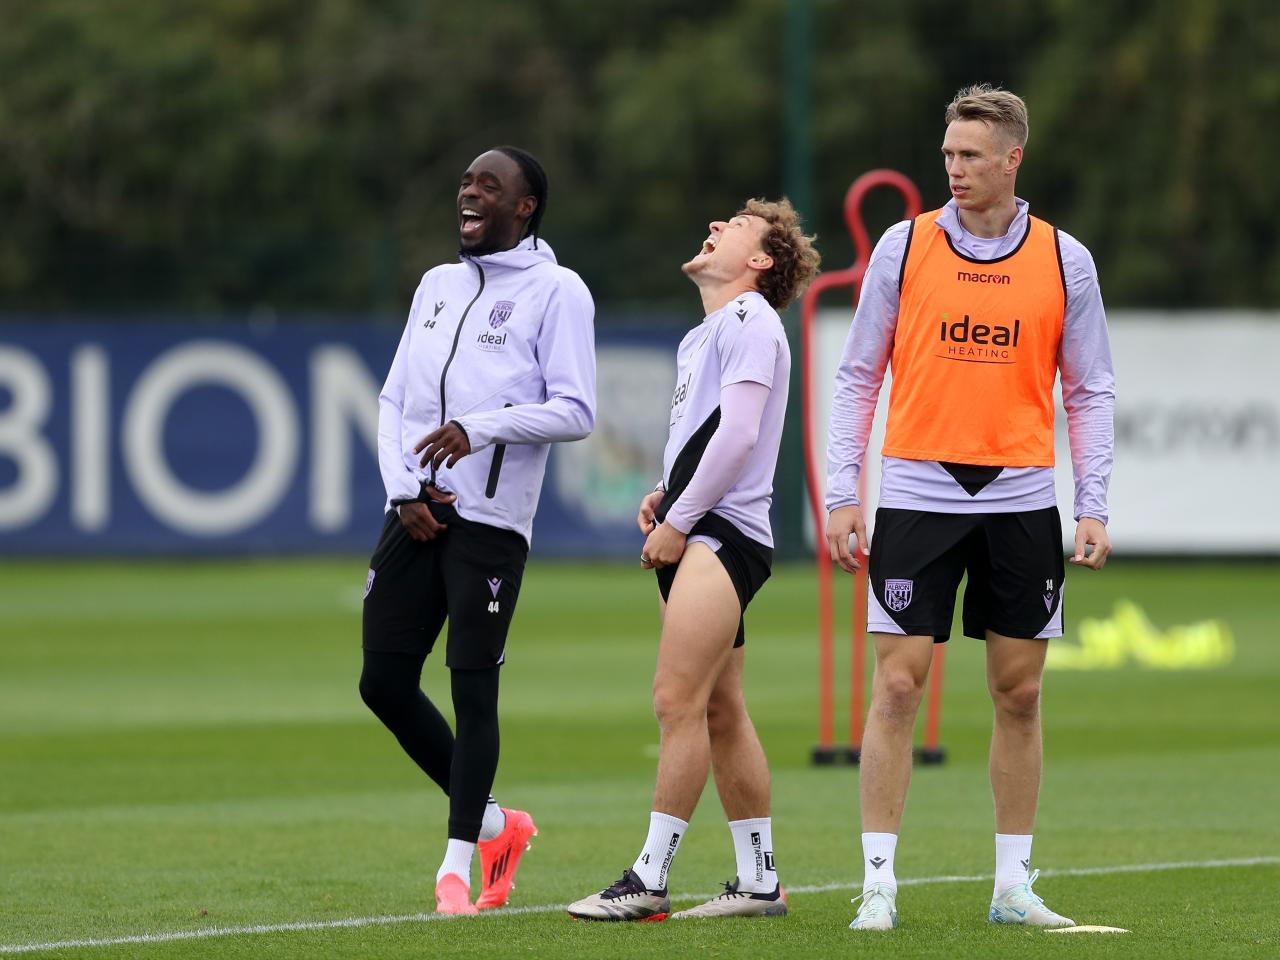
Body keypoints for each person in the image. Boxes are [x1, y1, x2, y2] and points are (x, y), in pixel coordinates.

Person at [825, 84, 1115, 931]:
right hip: (916, 489)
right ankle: (878, 883)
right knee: (898, 686)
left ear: (1013, 158)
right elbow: (857, 375)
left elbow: (1090, 390)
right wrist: (846, 492)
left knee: (1019, 695)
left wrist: (1091, 504)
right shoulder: (902, 246)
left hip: (1022, 496)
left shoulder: (1067, 259)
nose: (953, 169)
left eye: (970, 155)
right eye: (947, 154)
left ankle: (1012, 887)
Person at [567, 200, 820, 922]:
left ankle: (649, 878)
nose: (715, 224)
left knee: (674, 700)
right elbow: (711, 438)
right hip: (701, 526)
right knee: (718, 707)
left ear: (760, 261)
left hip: (721, 537)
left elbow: (739, 437)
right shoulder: (705, 335)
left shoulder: (750, 320)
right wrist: (664, 492)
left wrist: (679, 519)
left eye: (736, 225)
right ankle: (758, 881)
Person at [359, 146, 596, 916]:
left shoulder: (559, 292)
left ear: (525, 206)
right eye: (466, 181)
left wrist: (479, 429)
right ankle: (497, 824)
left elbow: (576, 410)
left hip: (491, 523)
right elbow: (395, 400)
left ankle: (456, 868)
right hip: (415, 509)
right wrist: (404, 489)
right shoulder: (436, 285)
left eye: (489, 185)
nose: (470, 191)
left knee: (473, 690)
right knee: (383, 682)